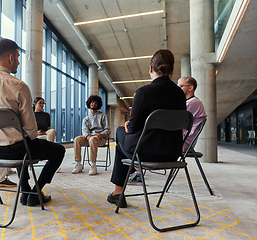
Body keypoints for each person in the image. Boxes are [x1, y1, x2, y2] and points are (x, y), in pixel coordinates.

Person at [0, 38, 65, 207]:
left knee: (23, 143)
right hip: (19, 149)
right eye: (18, 57)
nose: (19, 62)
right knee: (57, 150)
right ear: (11, 58)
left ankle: (24, 191)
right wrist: (30, 135)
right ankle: (36, 192)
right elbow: (30, 129)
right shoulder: (18, 85)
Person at [107, 49, 186, 208]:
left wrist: (129, 125)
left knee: (120, 132)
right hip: (173, 153)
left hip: (146, 153)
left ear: (151, 69)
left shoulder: (144, 92)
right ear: (172, 70)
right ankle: (122, 186)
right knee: (126, 140)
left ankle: (117, 193)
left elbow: (133, 128)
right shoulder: (180, 94)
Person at [72, 95, 111, 175]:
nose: (93, 104)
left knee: (93, 139)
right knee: (77, 139)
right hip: (89, 138)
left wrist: (101, 134)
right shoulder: (86, 119)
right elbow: (85, 131)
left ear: (98, 105)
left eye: (95, 103)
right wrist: (87, 136)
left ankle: (93, 165)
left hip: (100, 139)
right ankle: (78, 164)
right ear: (89, 104)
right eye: (92, 102)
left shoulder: (103, 116)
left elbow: (107, 130)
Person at [177, 76, 207, 151]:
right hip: (182, 141)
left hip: (183, 144)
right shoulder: (191, 102)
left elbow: (176, 122)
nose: (178, 89)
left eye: (180, 86)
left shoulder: (192, 103)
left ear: (190, 88)